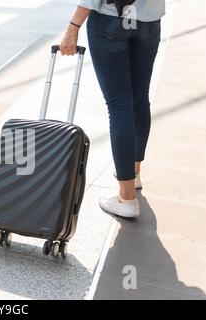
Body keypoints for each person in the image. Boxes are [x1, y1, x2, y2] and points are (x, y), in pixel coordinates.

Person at [59, 0, 165, 218]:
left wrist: (73, 26)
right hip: (149, 22)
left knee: (119, 106)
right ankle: (133, 175)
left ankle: (126, 198)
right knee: (139, 99)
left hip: (110, 20)